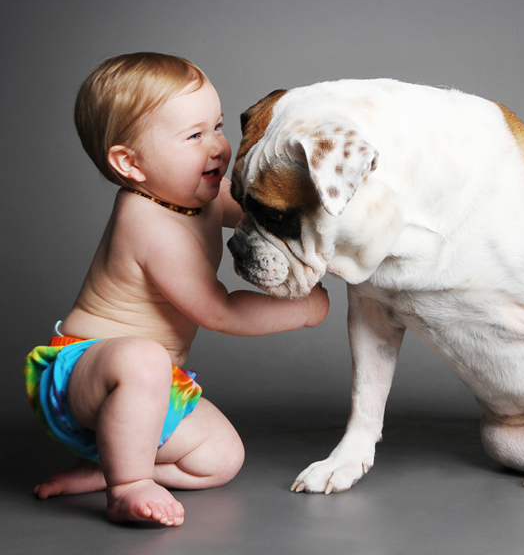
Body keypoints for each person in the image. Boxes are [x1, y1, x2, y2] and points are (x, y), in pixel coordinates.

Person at [24, 52, 330, 526]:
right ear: (131, 163)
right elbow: (219, 311)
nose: (218, 147)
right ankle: (127, 486)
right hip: (86, 374)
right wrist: (303, 309)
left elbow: (260, 210)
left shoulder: (197, 194)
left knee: (222, 458)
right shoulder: (147, 222)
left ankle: (112, 464)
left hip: (151, 394)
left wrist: (318, 217)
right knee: (143, 355)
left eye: (218, 126)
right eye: (194, 136)